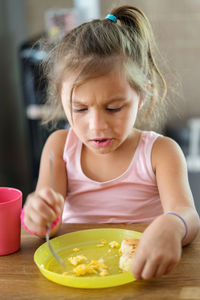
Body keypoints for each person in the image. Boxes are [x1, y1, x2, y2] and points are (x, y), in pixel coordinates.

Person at [21, 5, 199, 280]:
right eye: (80, 109)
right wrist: (36, 214)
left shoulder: (160, 153)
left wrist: (174, 224)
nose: (96, 126)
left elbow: (187, 215)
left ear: (141, 96)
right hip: (76, 276)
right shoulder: (59, 148)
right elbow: (48, 225)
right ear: (60, 95)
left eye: (114, 108)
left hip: (145, 275)